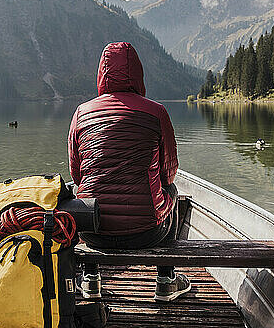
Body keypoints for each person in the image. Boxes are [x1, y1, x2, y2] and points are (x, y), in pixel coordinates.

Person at [68, 41, 191, 302]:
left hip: (93, 233)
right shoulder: (157, 112)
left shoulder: (81, 113)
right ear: (138, 73)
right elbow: (169, 173)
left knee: (83, 193)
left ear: (101, 74)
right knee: (173, 190)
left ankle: (90, 279)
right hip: (147, 233)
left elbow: (77, 175)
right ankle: (166, 280)